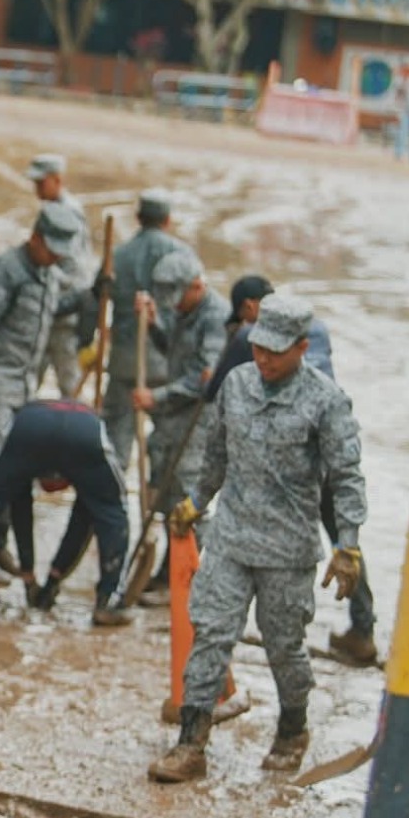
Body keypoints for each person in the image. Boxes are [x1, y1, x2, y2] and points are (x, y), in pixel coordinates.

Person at [148, 294, 366, 783]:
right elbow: (216, 454)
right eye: (258, 347)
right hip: (230, 537)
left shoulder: (326, 401)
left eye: (275, 351)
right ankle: (190, 744)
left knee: (283, 646)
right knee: (210, 634)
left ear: (302, 348)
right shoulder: (238, 384)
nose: (263, 358)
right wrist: (196, 501)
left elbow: (347, 476)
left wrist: (348, 545)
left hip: (287, 550)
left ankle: (292, 730)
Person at [208, 274, 376, 664]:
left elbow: (213, 393)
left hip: (287, 467)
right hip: (325, 453)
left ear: (251, 309)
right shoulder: (314, 328)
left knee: (265, 542)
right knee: (344, 543)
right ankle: (363, 628)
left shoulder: (248, 340)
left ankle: (250, 619)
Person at [0, 201, 83, 583]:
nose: (56, 257)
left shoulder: (48, 274)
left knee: (13, 471)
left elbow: (50, 310)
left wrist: (91, 296)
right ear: (35, 239)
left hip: (22, 388)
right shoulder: (4, 271)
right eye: (52, 249)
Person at [0, 398, 130, 625]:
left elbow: (21, 510)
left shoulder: (25, 443)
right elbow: (79, 524)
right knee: (113, 511)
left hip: (31, 429)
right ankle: (108, 602)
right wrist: (38, 577)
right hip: (82, 434)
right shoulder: (89, 459)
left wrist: (45, 577)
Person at [130, 249, 230, 603]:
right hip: (172, 420)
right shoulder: (182, 311)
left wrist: (156, 397)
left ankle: (187, 580)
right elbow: (171, 349)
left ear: (196, 286)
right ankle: (167, 571)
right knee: (166, 494)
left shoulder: (215, 318)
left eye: (177, 297)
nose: (173, 305)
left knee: (190, 500)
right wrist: (153, 323)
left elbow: (205, 379)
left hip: (198, 423)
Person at [102, 189, 189, 469]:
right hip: (167, 363)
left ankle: (114, 492)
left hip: (124, 361)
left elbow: (96, 299)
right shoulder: (182, 255)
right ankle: (159, 492)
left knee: (115, 442)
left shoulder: (118, 254)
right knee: (166, 439)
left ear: (138, 218)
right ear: (167, 220)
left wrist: (85, 340)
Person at [25, 154, 94, 398]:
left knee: (69, 385)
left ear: (57, 180)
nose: (36, 188)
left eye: (41, 183)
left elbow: (75, 270)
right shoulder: (51, 209)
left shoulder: (68, 214)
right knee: (29, 380)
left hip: (65, 315)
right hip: (48, 312)